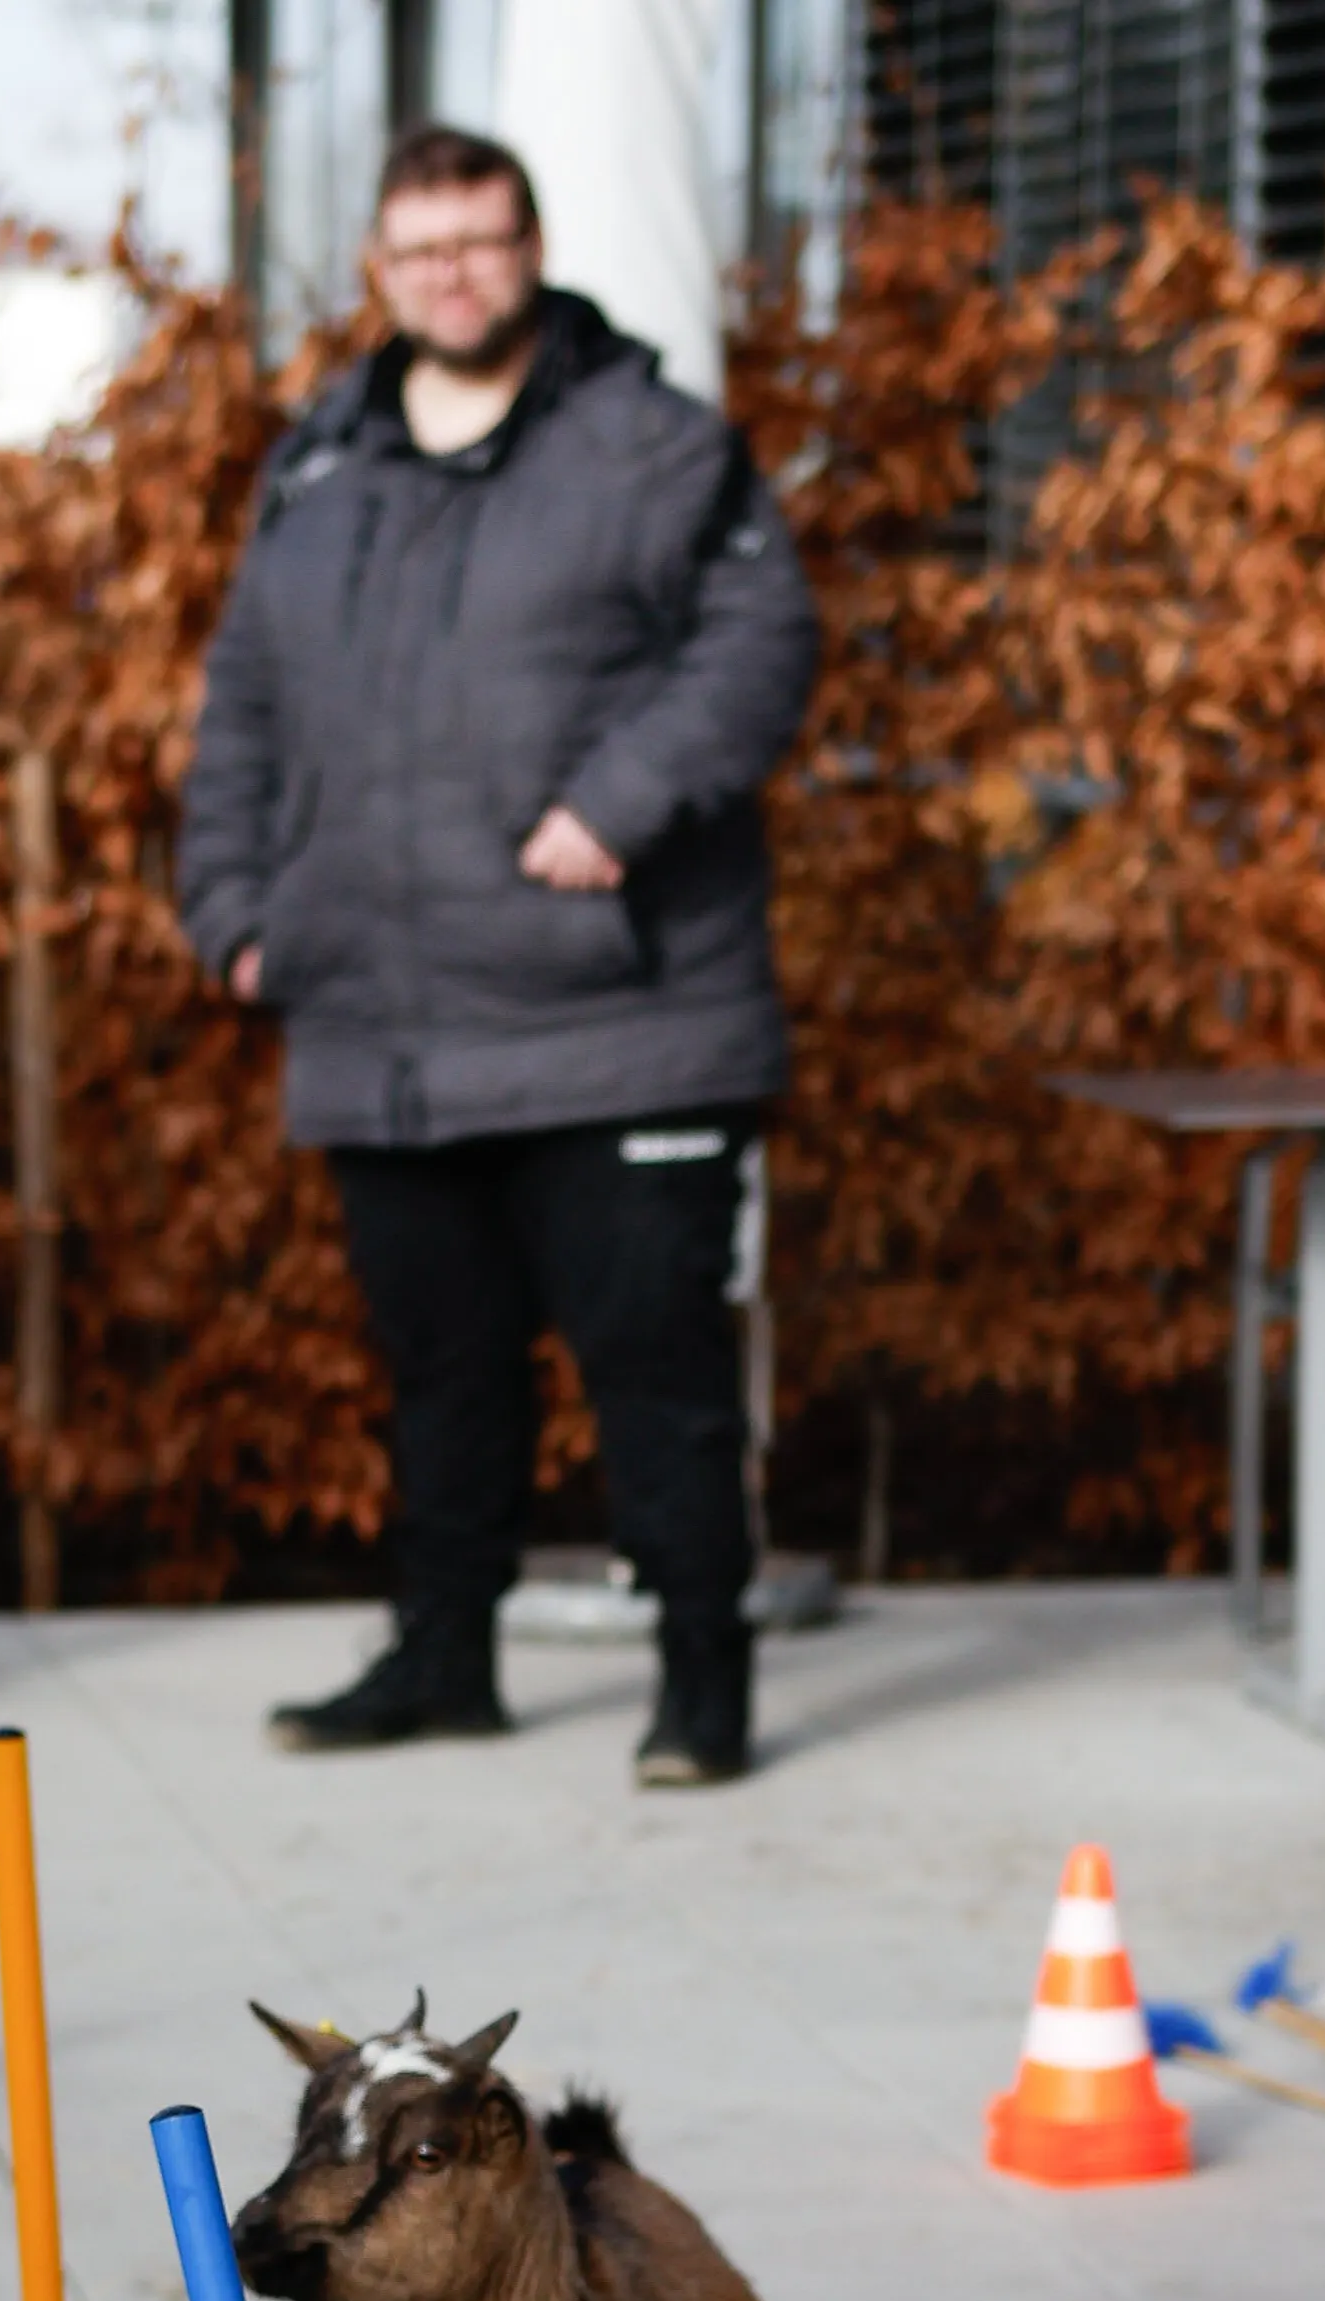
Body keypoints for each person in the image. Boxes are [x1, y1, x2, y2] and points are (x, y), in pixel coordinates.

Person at [181, 123, 819, 1782]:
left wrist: (618, 803)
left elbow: (764, 646)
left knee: (655, 1374)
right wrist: (235, 910)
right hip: (381, 1015)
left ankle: (701, 1685)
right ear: (379, 270)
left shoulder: (654, 443)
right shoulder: (317, 467)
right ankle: (442, 1658)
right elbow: (243, 700)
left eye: (481, 240)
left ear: (531, 248)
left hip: (622, 1013)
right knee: (440, 1373)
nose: (452, 272)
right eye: (420, 248)